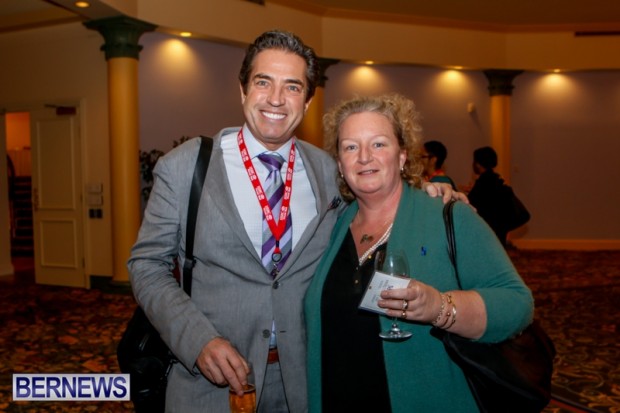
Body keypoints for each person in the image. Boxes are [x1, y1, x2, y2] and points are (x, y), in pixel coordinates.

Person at [128, 31, 462, 413]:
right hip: (211, 385)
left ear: (307, 100)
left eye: (292, 86)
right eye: (263, 82)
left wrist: (428, 192)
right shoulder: (186, 166)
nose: (276, 99)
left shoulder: (329, 171)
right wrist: (197, 340)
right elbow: (147, 265)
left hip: (304, 383)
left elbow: (379, 199)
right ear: (242, 90)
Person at [304, 93, 534, 412]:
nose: (364, 157)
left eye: (378, 144)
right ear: (340, 165)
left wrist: (440, 307)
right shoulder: (333, 224)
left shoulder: (448, 215)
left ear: (402, 156)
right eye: (351, 147)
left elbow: (517, 304)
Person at [467, 146, 519, 247]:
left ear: (478, 164)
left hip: (486, 230)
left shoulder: (482, 182)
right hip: (500, 228)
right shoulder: (497, 179)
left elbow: (470, 203)